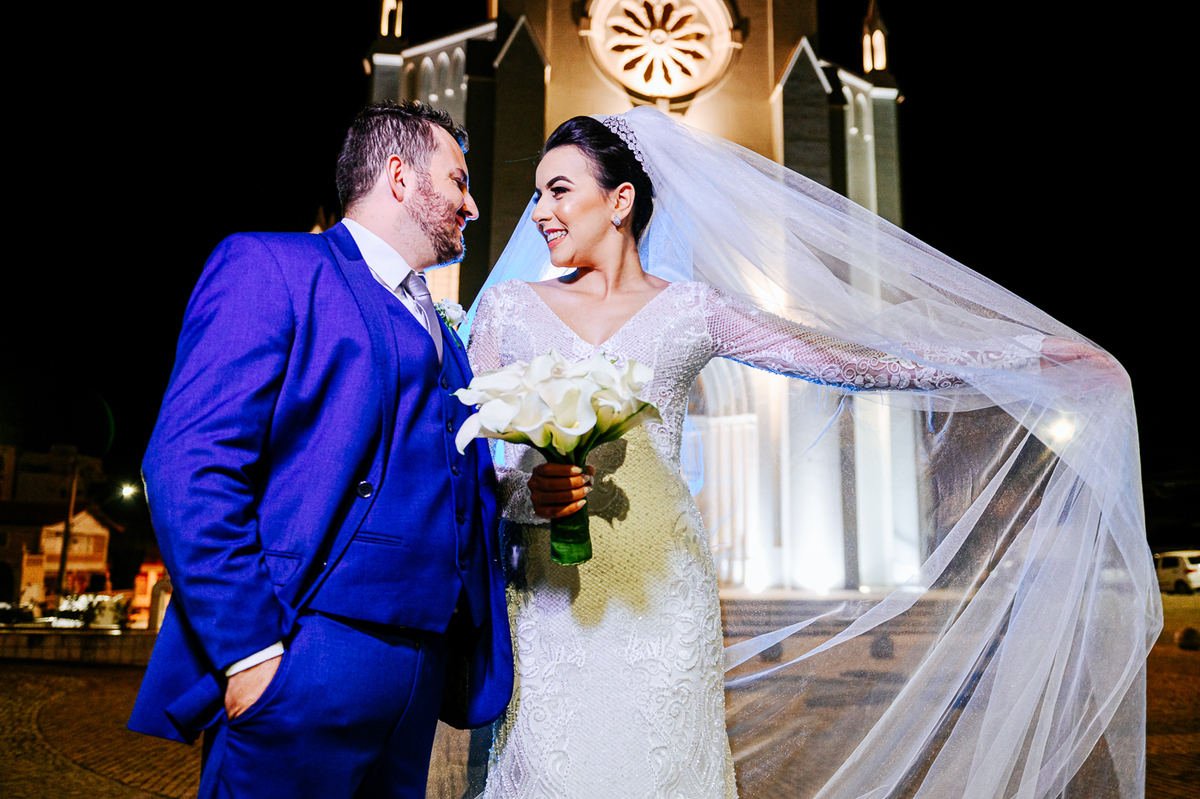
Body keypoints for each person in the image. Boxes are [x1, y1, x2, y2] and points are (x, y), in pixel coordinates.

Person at [462, 109, 1154, 799]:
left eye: (558, 190)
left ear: (620, 200)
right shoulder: (506, 310)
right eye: (536, 194)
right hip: (554, 590)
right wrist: (527, 494)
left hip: (663, 586)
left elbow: (861, 363)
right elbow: (468, 460)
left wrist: (1028, 357)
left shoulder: (694, 311)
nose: (539, 213)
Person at [127, 102, 514, 798]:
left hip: (422, 668)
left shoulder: (442, 326)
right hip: (306, 653)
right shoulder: (271, 266)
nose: (473, 204)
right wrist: (250, 652)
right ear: (399, 176)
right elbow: (190, 463)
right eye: (458, 181)